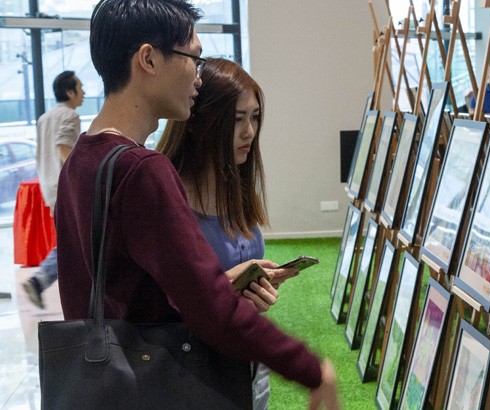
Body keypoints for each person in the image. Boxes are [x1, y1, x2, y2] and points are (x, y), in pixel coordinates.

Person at [54, 1, 340, 408]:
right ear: (149, 59)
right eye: (193, 57)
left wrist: (219, 283)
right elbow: (211, 310)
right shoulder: (142, 170)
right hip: (160, 386)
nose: (198, 78)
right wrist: (312, 369)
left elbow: (125, 293)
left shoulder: (83, 159)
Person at [156, 58, 280, 410]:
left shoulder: (237, 190)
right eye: (237, 119)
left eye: (254, 117)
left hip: (248, 365)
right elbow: (160, 304)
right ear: (202, 120)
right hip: (192, 374)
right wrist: (226, 288)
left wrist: (257, 288)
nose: (249, 132)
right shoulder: (169, 196)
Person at [21, 70, 84, 309]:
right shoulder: (70, 115)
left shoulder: (44, 118)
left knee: (73, 240)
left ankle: (42, 280)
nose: (84, 93)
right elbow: (63, 147)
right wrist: (78, 180)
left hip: (48, 185)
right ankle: (40, 280)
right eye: (80, 87)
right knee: (76, 240)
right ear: (70, 91)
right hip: (64, 186)